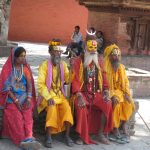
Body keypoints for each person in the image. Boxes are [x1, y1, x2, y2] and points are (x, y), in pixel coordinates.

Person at [71, 36, 113, 145]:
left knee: (107, 103)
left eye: (95, 50)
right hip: (82, 93)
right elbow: (74, 80)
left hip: (96, 93)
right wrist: (79, 96)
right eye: (90, 50)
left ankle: (100, 134)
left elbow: (104, 80)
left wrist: (106, 92)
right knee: (81, 107)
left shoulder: (99, 62)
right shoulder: (78, 62)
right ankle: (81, 136)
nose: (93, 52)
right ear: (85, 50)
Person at [0, 47, 41, 150]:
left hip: (25, 97)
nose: (23, 58)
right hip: (12, 99)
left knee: (28, 115)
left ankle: (29, 138)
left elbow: (30, 85)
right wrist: (16, 101)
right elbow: (7, 89)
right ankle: (22, 141)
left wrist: (28, 99)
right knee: (16, 117)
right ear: (15, 57)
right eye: (21, 56)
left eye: (24, 56)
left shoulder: (26, 69)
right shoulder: (8, 69)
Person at [37, 39, 74, 148]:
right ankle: (48, 136)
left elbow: (68, 80)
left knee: (67, 108)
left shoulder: (62, 65)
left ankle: (67, 136)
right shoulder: (44, 65)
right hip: (48, 96)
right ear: (51, 53)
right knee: (52, 107)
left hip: (60, 95)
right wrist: (48, 98)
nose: (58, 54)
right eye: (56, 51)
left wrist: (71, 68)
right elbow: (40, 84)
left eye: (59, 52)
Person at [104, 44, 135, 143]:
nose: (116, 57)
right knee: (116, 104)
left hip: (121, 92)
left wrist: (127, 94)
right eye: (114, 55)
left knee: (129, 104)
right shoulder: (105, 67)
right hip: (110, 92)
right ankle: (115, 128)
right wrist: (112, 96)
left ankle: (125, 125)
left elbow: (125, 82)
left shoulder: (121, 67)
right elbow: (104, 85)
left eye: (118, 55)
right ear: (109, 56)